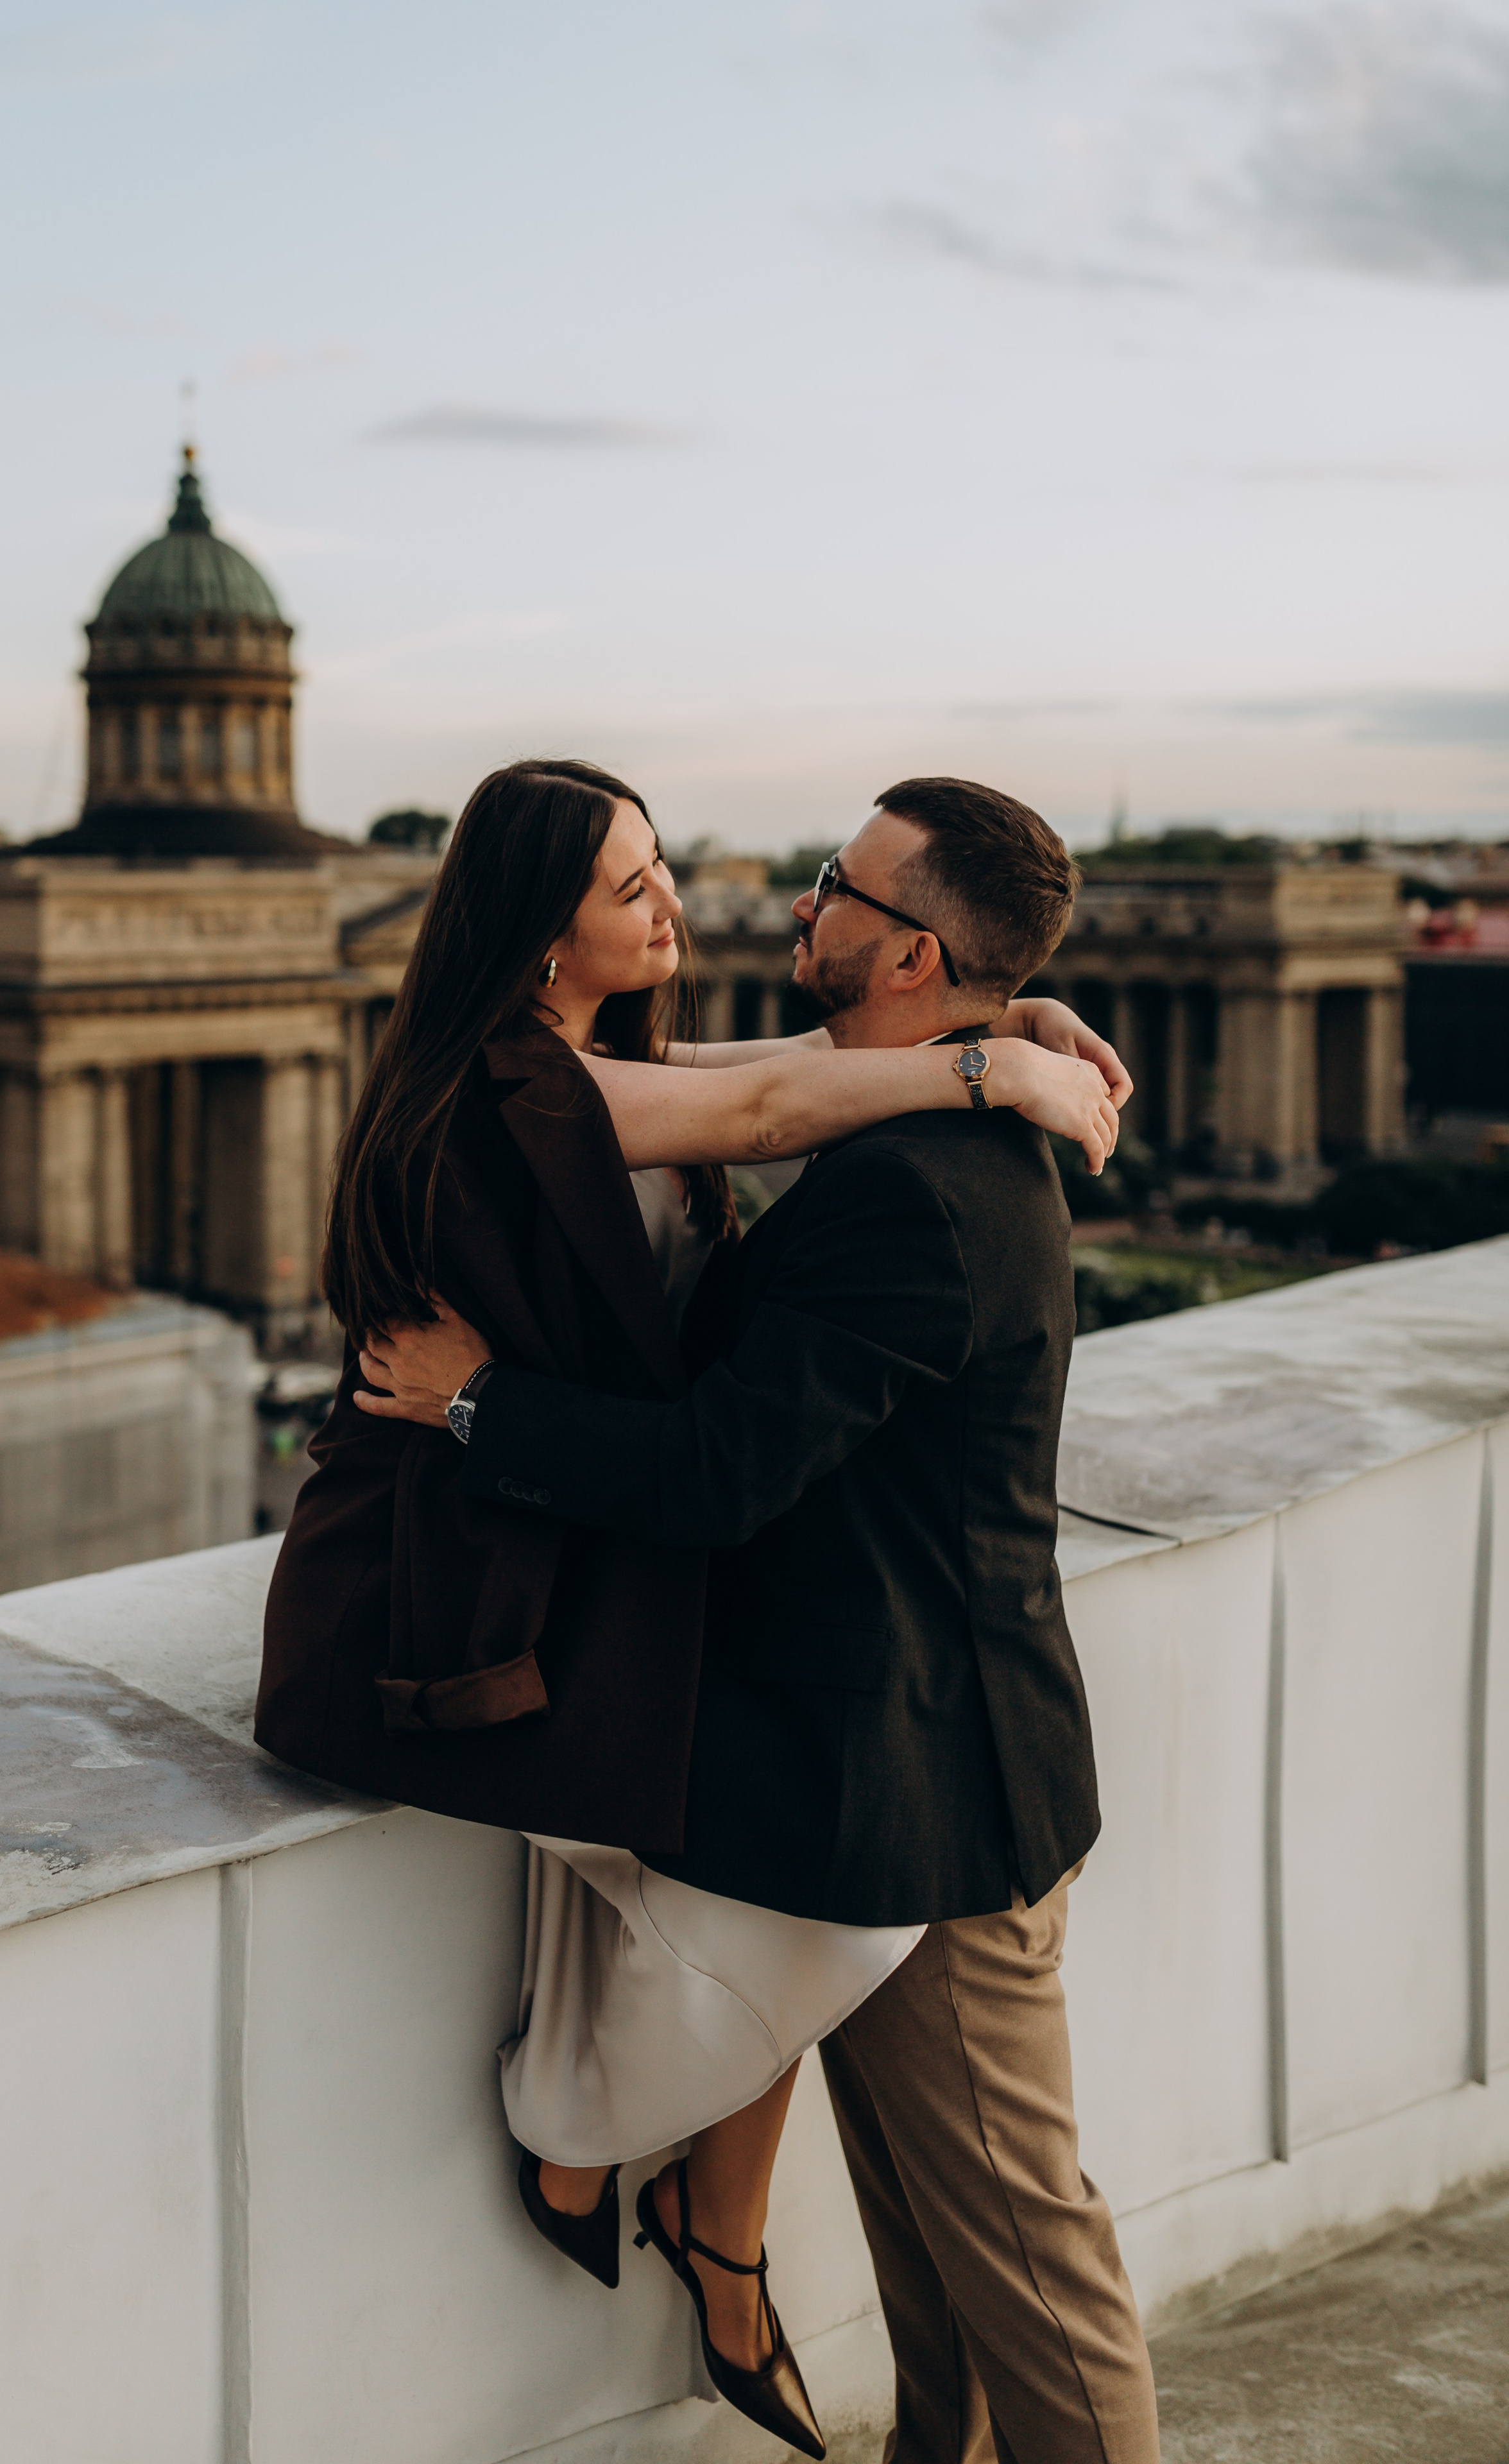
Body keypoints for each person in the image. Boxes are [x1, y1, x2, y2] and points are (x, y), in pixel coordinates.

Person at [257, 759, 1125, 2462]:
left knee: (1010, 2251)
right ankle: (679, 2221)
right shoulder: (519, 1090)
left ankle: (659, 2204)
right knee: (951, 2244)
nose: (729, 906)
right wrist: (994, 1041)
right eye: (638, 885)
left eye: (832, 890)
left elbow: (773, 1091)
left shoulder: (760, 1117)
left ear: (908, 952)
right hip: (638, 1649)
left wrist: (1013, 1024)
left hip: (916, 1768)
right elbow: (766, 1109)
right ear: (539, 932)